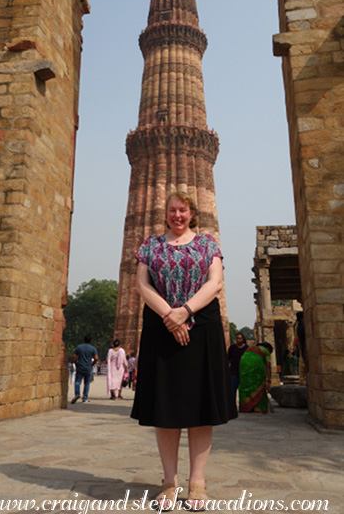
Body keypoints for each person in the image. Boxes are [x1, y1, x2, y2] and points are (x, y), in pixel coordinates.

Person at [131, 191, 237, 511]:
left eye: (183, 210)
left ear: (192, 214)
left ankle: (197, 482)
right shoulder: (150, 245)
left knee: (200, 408)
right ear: (166, 214)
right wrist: (170, 315)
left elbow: (214, 282)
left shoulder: (208, 244)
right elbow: (143, 285)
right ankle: (169, 482)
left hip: (201, 325)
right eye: (172, 211)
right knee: (166, 409)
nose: (177, 215)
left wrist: (185, 311)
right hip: (161, 326)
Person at [238, 341, 273, 413]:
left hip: (243, 364)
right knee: (259, 384)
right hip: (256, 364)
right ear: (268, 348)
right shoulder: (266, 351)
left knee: (246, 385)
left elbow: (242, 357)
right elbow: (268, 366)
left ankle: (246, 407)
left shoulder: (250, 348)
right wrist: (268, 380)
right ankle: (259, 407)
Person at [71, 335, 98, 404]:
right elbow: (96, 358)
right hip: (88, 367)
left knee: (77, 381)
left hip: (80, 366)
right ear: (90, 341)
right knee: (87, 383)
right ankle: (85, 398)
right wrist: (93, 364)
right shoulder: (93, 348)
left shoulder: (79, 347)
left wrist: (75, 362)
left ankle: (77, 394)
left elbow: (74, 356)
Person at [228, 332, 248, 402]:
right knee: (232, 389)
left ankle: (244, 405)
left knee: (244, 390)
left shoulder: (247, 348)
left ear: (243, 339)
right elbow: (228, 359)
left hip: (244, 372)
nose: (238, 340)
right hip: (234, 371)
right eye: (237, 338)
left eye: (239, 338)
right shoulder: (232, 348)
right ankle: (232, 405)